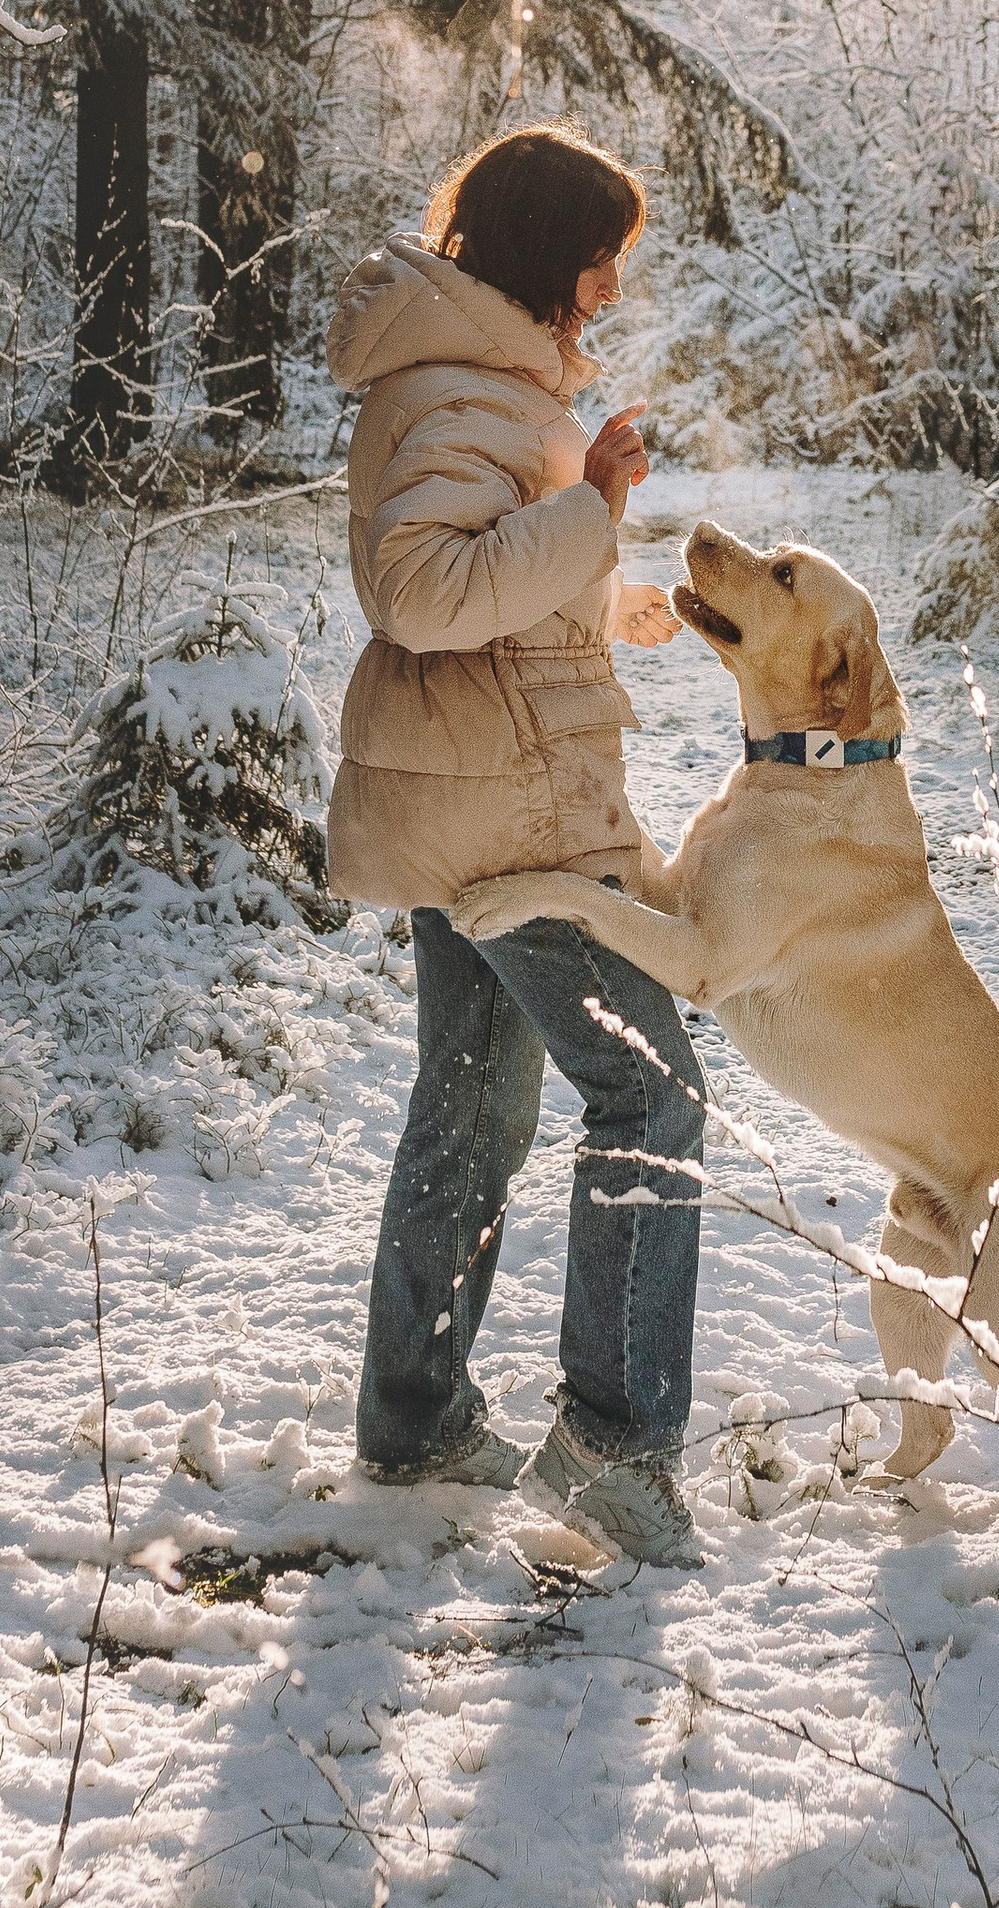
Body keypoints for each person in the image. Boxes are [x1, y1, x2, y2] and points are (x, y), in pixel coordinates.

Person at [323, 124, 707, 1566]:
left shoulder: (481, 384)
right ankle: (614, 1446)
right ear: (552, 249)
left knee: (478, 1102)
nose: (614, 283)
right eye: (604, 253)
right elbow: (421, 594)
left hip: (474, 790)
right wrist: (592, 514)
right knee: (651, 1089)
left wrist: (625, 589)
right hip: (518, 812)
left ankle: (414, 1419)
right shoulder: (456, 391)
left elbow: (512, 571)